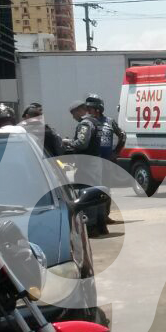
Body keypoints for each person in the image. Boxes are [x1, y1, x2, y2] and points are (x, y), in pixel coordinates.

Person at [63, 99, 107, 235]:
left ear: (79, 111)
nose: (73, 117)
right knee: (97, 192)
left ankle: (91, 227)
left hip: (86, 163)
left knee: (87, 193)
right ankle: (101, 225)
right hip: (95, 161)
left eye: (73, 113)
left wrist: (67, 142)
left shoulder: (85, 123)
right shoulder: (96, 122)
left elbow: (82, 143)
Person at [86, 94, 124, 163]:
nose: (88, 112)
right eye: (87, 109)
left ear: (98, 109)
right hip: (93, 162)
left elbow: (122, 135)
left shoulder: (110, 121)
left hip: (108, 161)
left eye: (90, 109)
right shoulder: (87, 122)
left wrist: (116, 152)